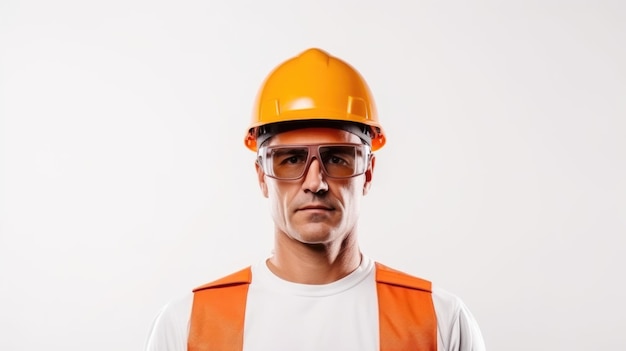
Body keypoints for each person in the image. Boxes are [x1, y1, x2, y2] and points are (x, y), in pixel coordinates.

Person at [145, 48, 486, 351]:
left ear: (367, 172)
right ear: (262, 176)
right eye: (291, 159)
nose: (315, 182)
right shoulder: (189, 326)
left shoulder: (439, 321)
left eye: (338, 158)